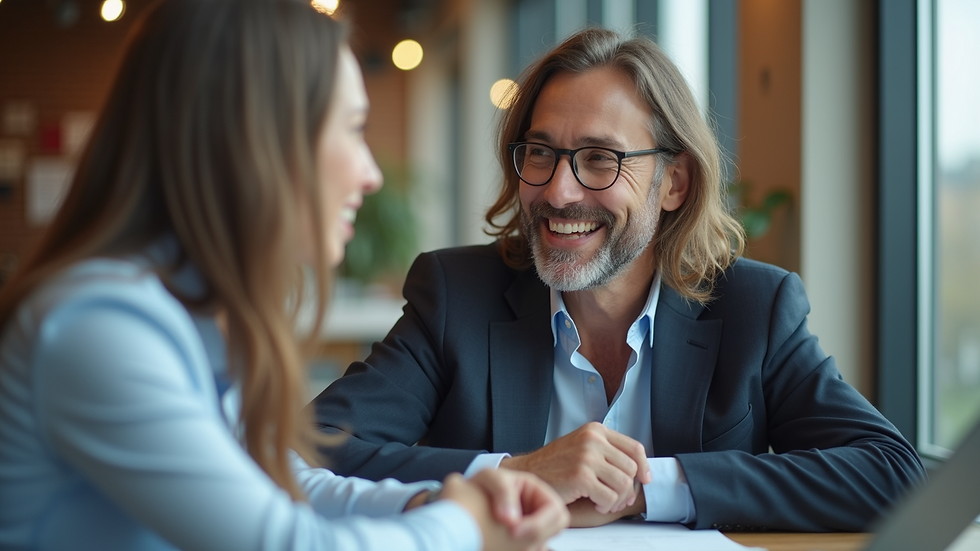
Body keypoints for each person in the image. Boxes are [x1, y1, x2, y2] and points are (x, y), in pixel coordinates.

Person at [0, 1, 569, 550]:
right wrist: (465, 526)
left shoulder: (191, 314)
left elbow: (280, 485)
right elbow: (285, 542)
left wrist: (434, 505)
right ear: (254, 142)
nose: (371, 174)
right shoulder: (99, 326)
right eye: (352, 129)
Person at [312, 27, 926, 533]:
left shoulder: (753, 307)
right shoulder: (457, 294)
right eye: (541, 152)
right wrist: (522, 472)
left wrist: (645, 487)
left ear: (675, 183)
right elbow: (312, 448)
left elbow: (891, 473)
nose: (558, 190)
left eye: (601, 159)